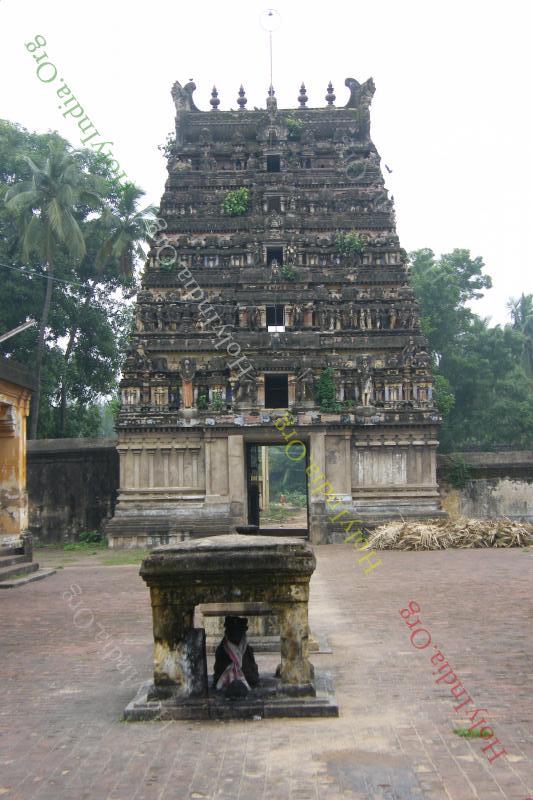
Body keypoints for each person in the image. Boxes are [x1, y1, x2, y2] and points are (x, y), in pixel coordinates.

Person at [213, 616, 259, 699]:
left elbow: (253, 671)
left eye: (238, 631)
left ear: (243, 632)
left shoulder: (247, 649)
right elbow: (218, 671)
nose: (235, 634)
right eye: (232, 630)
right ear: (227, 632)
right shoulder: (222, 650)